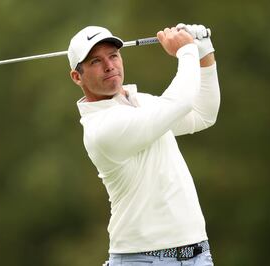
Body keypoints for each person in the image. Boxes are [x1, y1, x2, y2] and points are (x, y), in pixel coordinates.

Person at [67, 24, 220, 266]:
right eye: (95, 61)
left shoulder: (140, 102)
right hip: (144, 260)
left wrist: (204, 53)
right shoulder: (102, 127)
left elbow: (203, 114)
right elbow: (178, 103)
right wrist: (187, 50)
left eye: (113, 56)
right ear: (77, 76)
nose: (109, 66)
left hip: (198, 256)